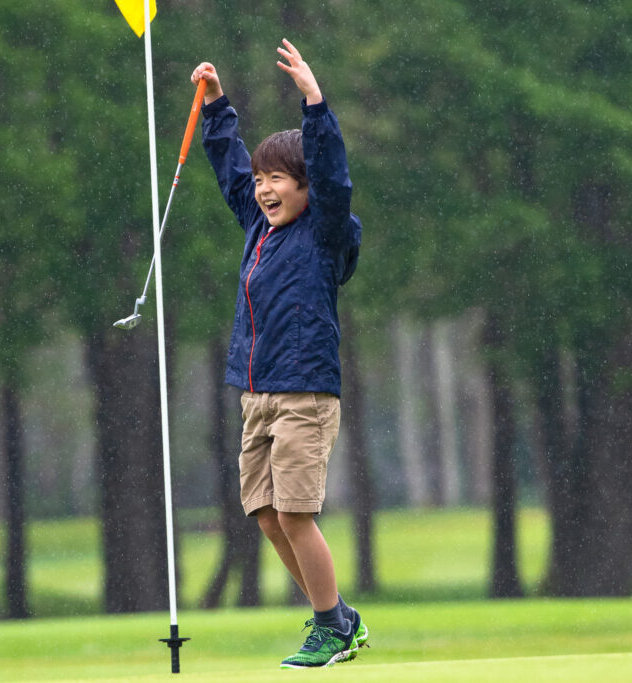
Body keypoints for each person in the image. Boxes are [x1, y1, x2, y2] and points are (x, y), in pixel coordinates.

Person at [191, 39, 366, 669]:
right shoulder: (258, 225)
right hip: (257, 395)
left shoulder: (325, 231)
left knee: (294, 515)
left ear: (306, 188)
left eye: (278, 179)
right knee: (266, 515)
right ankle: (338, 617)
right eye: (262, 179)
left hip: (304, 395)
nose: (264, 189)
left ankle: (330, 627)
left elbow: (333, 176)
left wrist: (315, 105)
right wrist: (216, 107)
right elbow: (230, 170)